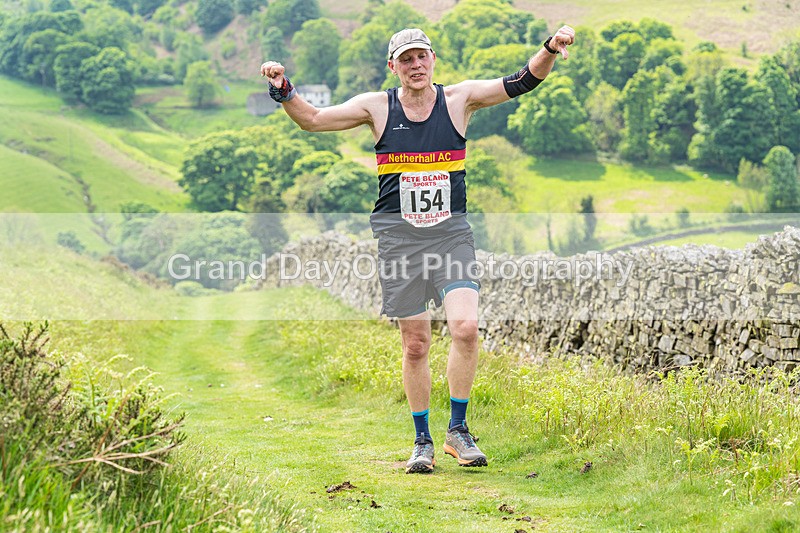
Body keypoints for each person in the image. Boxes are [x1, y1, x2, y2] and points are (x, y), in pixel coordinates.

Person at [260, 25, 575, 474]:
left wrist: (549, 48)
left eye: (421, 56)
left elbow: (522, 80)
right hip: (399, 241)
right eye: (405, 59)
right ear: (394, 67)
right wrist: (283, 89)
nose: (415, 65)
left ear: (432, 59)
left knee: (465, 327)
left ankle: (459, 432)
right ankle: (422, 439)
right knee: (416, 343)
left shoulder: (459, 100)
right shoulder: (377, 107)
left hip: (451, 236)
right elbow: (313, 119)